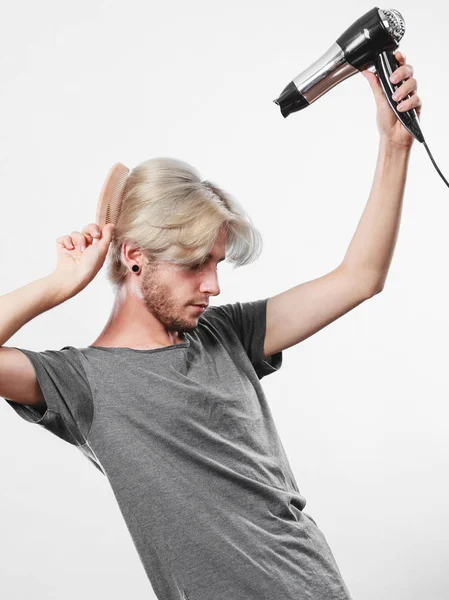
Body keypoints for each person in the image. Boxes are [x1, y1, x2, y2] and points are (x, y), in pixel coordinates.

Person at [1, 51, 421, 600]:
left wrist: (394, 145)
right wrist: (60, 284)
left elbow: (361, 276)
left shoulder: (228, 335)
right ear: (134, 256)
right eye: (195, 263)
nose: (214, 285)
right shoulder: (81, 382)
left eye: (218, 263)